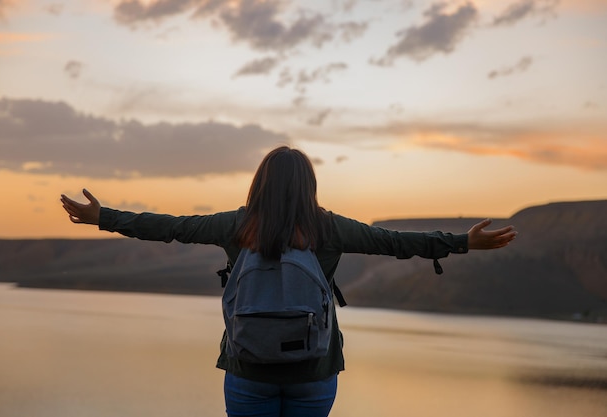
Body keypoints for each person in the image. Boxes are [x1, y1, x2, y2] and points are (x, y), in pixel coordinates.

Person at [60, 146, 517, 417]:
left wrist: (104, 217)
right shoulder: (327, 227)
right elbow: (394, 241)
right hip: (313, 371)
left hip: (248, 370)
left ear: (259, 184)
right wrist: (460, 242)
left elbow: (170, 225)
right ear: (309, 186)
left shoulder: (236, 225)